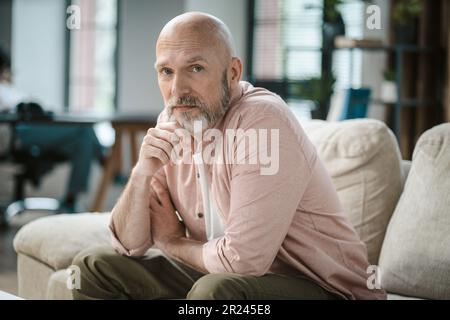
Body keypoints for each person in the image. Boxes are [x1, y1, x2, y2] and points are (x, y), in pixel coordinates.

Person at [71, 12, 387, 300]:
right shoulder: (171, 120)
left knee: (216, 293)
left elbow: (242, 261)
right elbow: (129, 245)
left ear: (233, 72)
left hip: (323, 288)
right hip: (222, 274)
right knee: (95, 267)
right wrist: (141, 173)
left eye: (195, 68)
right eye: (166, 71)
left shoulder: (263, 121)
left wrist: (172, 243)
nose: (177, 88)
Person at [0, 47, 105, 212]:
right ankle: (104, 157)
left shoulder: (7, 89)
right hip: (19, 133)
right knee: (84, 127)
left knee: (82, 139)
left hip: (29, 127)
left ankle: (71, 199)